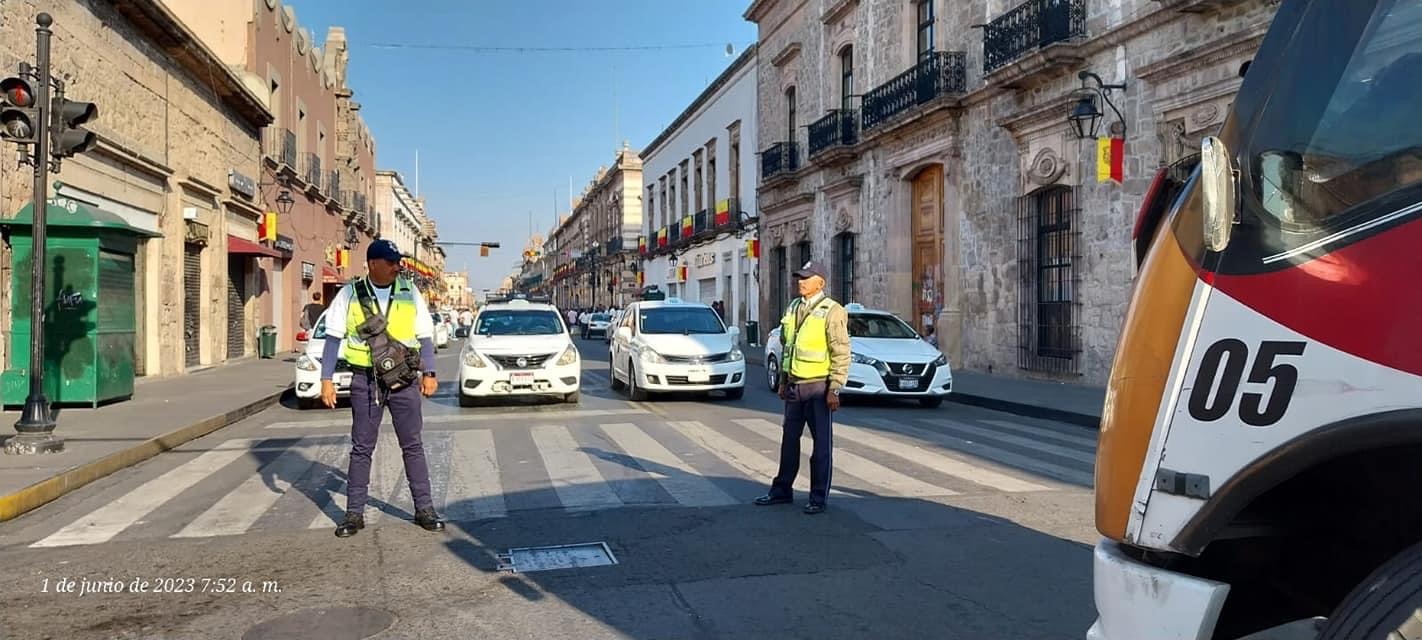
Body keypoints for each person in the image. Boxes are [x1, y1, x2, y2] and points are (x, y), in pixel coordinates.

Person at [319, 239, 445, 538]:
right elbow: (333, 338)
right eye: (390, 262)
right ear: (373, 264)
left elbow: (425, 335)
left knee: (412, 445)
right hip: (366, 380)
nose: (396, 267)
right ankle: (354, 514)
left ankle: (424, 509)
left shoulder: (409, 291)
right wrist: (326, 379)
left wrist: (430, 372)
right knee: (362, 447)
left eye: (397, 262)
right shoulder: (350, 293)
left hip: (404, 381)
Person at [755, 261, 850, 515]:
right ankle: (781, 490)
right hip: (795, 386)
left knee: (821, 446)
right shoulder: (794, 306)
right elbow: (788, 348)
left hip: (819, 387)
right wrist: (784, 381)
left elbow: (841, 351)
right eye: (800, 277)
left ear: (821, 283)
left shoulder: (833, 311)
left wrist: (835, 388)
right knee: (789, 442)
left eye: (807, 278)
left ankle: (818, 497)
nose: (801, 281)